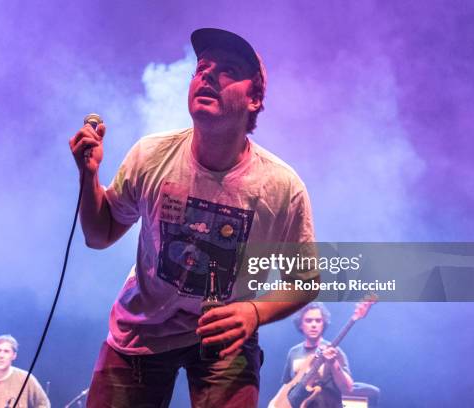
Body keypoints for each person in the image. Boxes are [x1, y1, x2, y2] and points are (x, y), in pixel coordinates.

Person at [69, 27, 318, 407]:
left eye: (228, 70)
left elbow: (304, 281)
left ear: (254, 98)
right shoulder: (150, 156)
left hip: (225, 335)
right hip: (143, 326)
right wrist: (89, 178)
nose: (207, 76)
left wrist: (254, 312)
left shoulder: (281, 187)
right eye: (202, 67)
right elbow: (99, 234)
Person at [278, 303, 353, 408]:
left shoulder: (334, 351)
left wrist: (333, 362)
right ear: (300, 324)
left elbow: (348, 388)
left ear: (323, 324)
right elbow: (287, 385)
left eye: (318, 320)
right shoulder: (293, 352)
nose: (314, 325)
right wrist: (275, 404)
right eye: (308, 320)